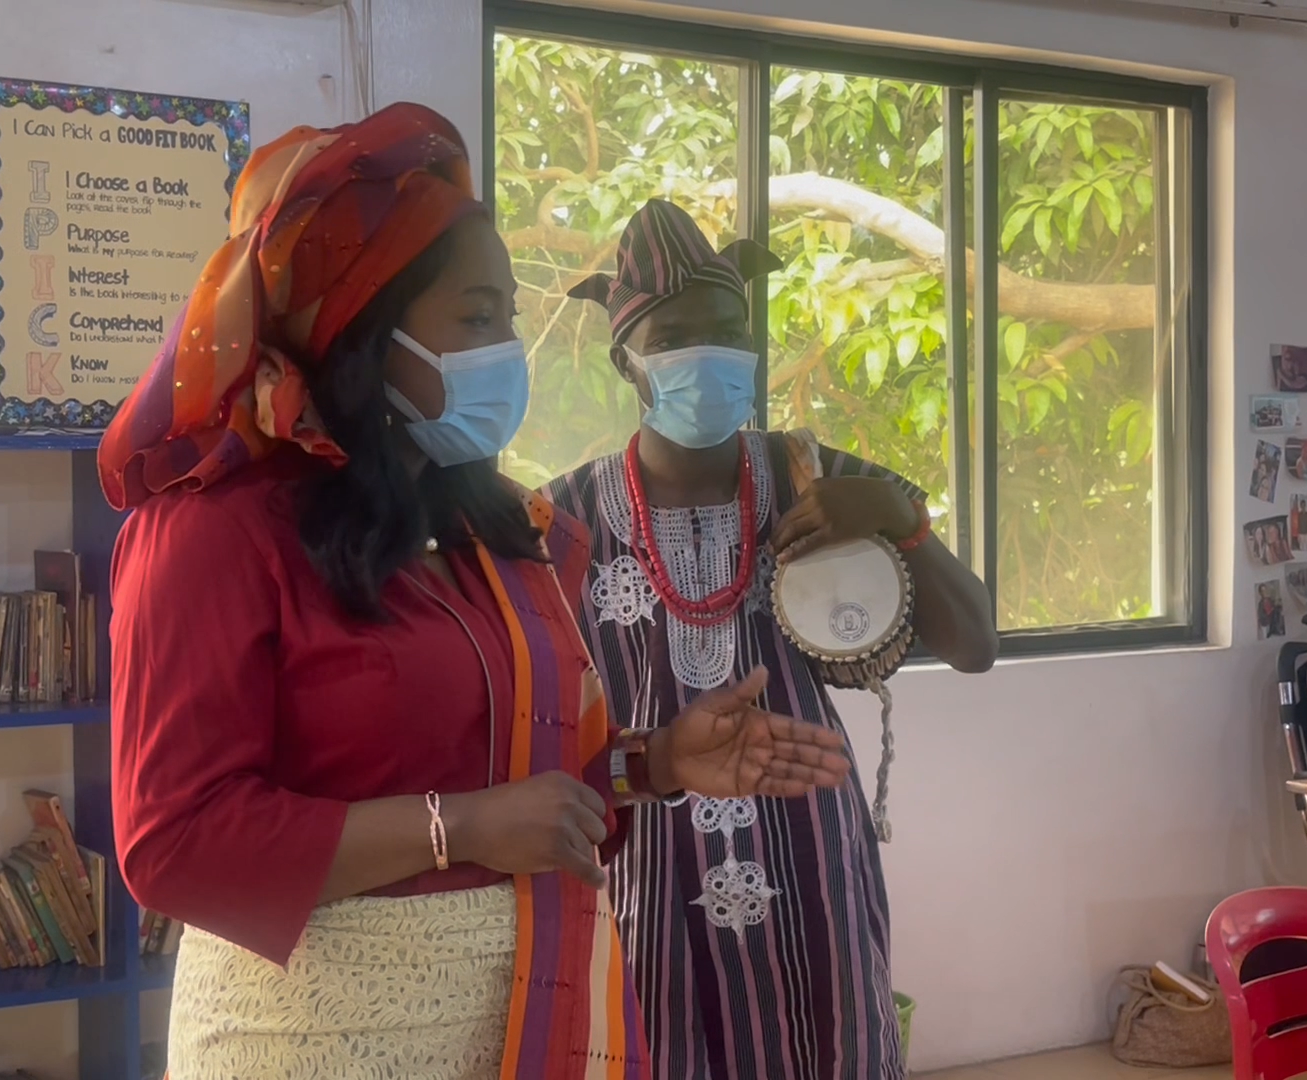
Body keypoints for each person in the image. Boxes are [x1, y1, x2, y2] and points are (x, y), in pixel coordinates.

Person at [100, 109, 853, 1080]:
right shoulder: (213, 532)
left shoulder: (504, 536)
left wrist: (656, 762)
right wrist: (455, 827)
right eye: (477, 318)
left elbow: (534, 796)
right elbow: (175, 844)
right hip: (313, 1040)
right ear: (362, 327)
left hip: (523, 1024)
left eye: (509, 317)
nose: (510, 350)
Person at [545, 199, 998, 1080]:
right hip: (642, 872)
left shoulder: (817, 477)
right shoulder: (564, 517)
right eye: (678, 336)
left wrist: (904, 522)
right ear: (628, 362)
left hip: (812, 860)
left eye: (728, 332)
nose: (709, 356)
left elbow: (975, 643)